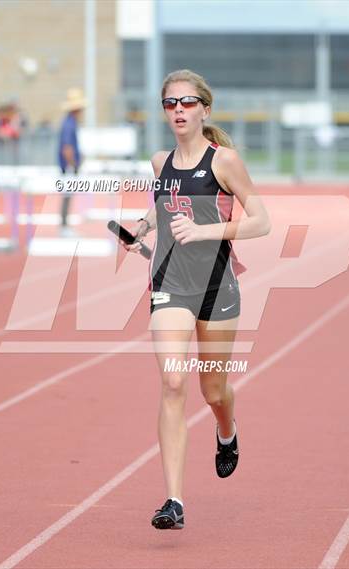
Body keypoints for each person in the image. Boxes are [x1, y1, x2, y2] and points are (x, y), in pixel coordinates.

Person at [122, 70, 271, 530]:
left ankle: (226, 430)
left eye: (187, 102)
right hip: (169, 282)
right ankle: (174, 501)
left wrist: (205, 231)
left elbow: (262, 221)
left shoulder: (223, 161)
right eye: (170, 104)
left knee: (212, 390)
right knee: (172, 384)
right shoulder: (159, 160)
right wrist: (143, 228)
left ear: (205, 108)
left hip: (217, 285)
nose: (178, 111)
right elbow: (164, 204)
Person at [57, 88, 87, 237]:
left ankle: (64, 226)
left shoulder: (70, 122)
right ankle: (64, 227)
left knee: (68, 196)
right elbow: (67, 149)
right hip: (68, 167)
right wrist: (74, 164)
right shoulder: (69, 124)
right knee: (67, 197)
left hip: (68, 166)